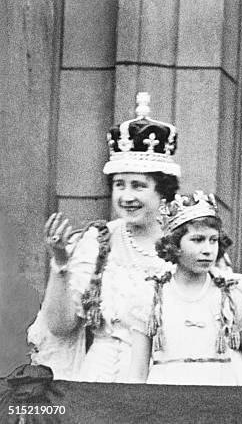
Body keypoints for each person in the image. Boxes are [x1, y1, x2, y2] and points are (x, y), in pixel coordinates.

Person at [27, 93, 181, 382]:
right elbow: (61, 326)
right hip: (100, 377)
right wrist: (60, 263)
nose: (127, 196)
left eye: (138, 186)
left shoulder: (187, 243)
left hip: (164, 377)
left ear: (163, 192)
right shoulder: (97, 242)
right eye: (119, 185)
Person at [128, 191, 242, 385]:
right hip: (168, 396)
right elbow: (138, 370)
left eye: (213, 240)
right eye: (198, 240)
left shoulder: (230, 293)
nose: (208, 250)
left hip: (220, 393)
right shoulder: (152, 295)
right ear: (174, 245)